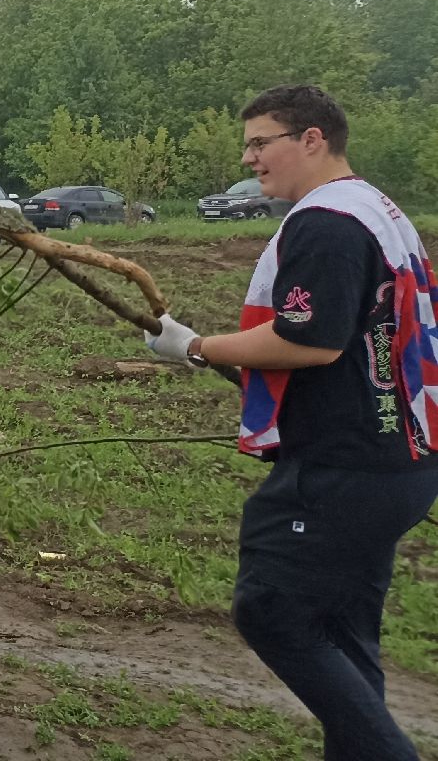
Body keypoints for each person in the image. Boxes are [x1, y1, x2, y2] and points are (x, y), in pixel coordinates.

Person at [144, 85, 438, 760]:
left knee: (272, 610)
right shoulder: (377, 210)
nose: (251, 159)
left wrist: (195, 347)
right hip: (400, 458)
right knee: (341, 630)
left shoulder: (327, 223)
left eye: (260, 142)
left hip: (344, 465)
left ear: (312, 139)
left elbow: (312, 340)